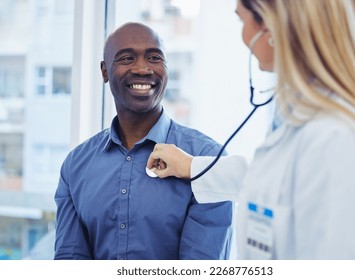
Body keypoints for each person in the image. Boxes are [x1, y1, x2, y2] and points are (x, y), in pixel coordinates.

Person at [147, 0, 355, 259]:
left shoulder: (339, 139)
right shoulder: (304, 119)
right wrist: (192, 167)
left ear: (273, 26)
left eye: (242, 20)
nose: (243, 37)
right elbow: (281, 180)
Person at [54, 22, 233, 260]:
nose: (142, 69)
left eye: (154, 58)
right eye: (127, 58)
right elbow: (69, 261)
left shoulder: (208, 161)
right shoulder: (75, 165)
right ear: (105, 71)